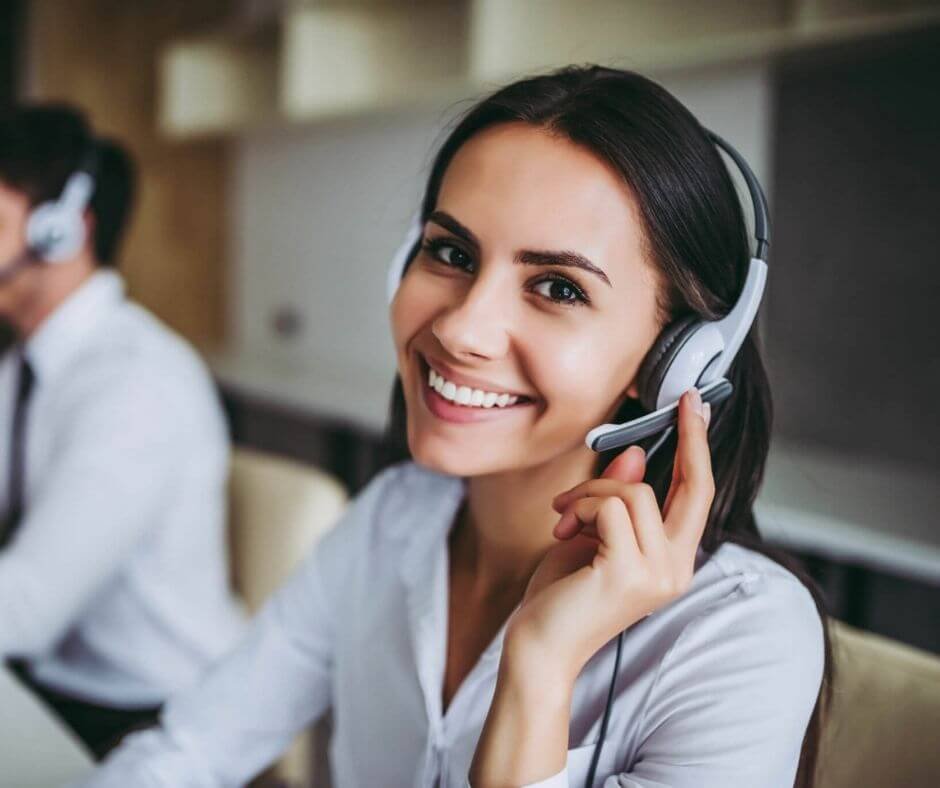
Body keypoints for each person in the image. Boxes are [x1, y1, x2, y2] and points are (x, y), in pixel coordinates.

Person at [80, 66, 829, 788]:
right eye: (451, 252)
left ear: (677, 360)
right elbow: (189, 751)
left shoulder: (741, 637)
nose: (463, 327)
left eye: (558, 287)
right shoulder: (390, 523)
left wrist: (539, 666)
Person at [0, 104, 245, 760]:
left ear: (61, 231)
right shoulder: (24, 364)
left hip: (150, 713)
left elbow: (24, 609)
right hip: (55, 683)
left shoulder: (137, 384)